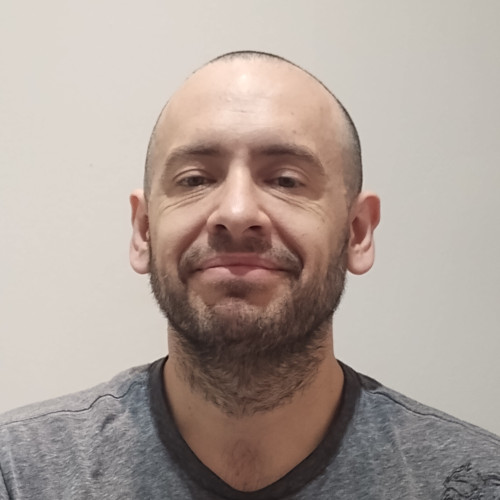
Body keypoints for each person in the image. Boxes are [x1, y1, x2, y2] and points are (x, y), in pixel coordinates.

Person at [0, 51, 499, 500]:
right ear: (144, 231)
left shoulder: (476, 480)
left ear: (357, 232)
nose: (236, 213)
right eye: (195, 179)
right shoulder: (20, 474)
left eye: (286, 180)